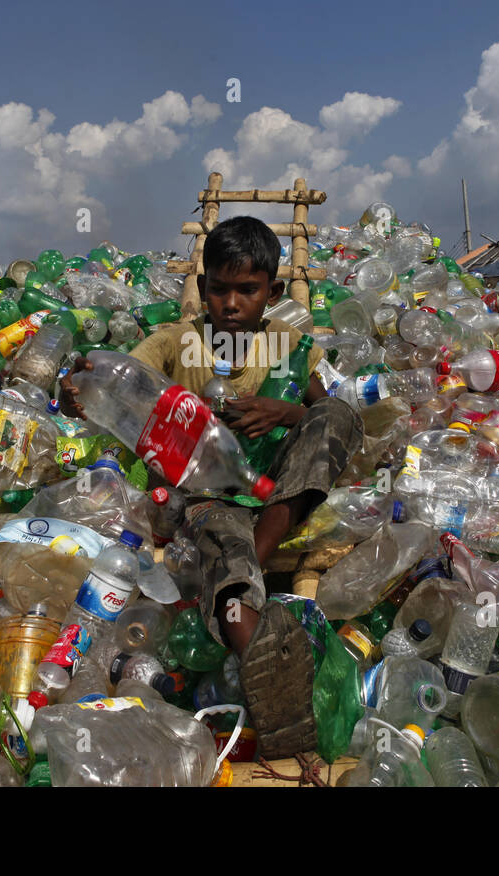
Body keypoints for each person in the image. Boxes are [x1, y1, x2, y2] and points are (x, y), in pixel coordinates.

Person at [59, 216, 363, 757]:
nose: (230, 303)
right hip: (203, 498)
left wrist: (285, 411)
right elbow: (117, 388)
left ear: (271, 293)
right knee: (224, 544)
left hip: (274, 491)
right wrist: (75, 391)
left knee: (339, 415)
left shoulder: (288, 346)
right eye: (219, 289)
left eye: (246, 290)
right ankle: (271, 673)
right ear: (203, 290)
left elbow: (327, 414)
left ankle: (256, 575)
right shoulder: (176, 343)